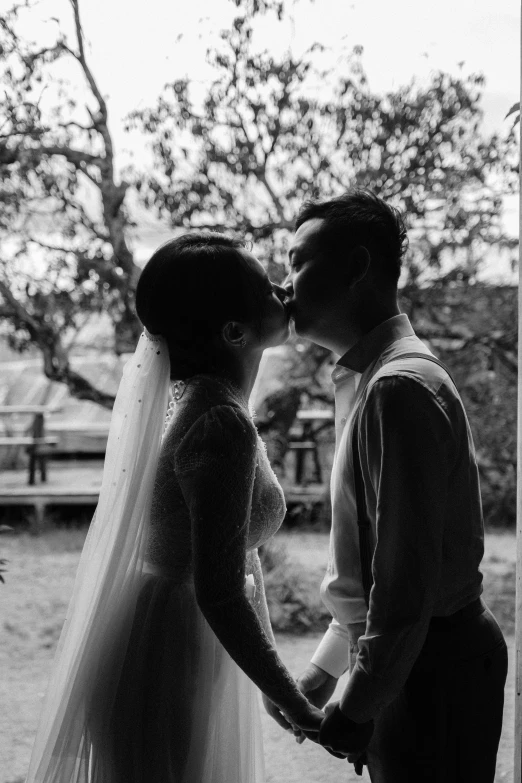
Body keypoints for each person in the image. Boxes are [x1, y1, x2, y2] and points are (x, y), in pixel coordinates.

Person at [25, 233, 323, 783]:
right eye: (266, 287)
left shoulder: (210, 406)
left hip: (172, 638)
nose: (283, 288)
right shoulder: (220, 424)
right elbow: (220, 589)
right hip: (168, 662)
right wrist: (297, 701)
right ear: (234, 332)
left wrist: (267, 680)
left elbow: (239, 557)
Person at [280, 190, 508, 782]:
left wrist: (358, 704)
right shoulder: (372, 380)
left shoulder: (398, 387)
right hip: (412, 656)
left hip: (434, 664)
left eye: (298, 262)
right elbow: (373, 560)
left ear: (357, 267)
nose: (285, 285)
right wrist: (327, 668)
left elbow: (406, 582)